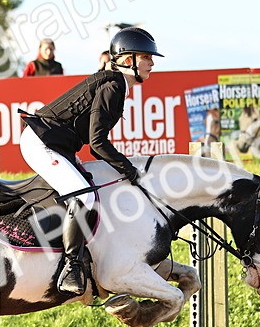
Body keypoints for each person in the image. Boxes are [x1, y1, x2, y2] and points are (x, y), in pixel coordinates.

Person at [18, 27, 162, 294]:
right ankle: (71, 269)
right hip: (42, 143)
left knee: (93, 188)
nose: (152, 63)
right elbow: (97, 144)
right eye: (147, 57)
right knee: (84, 197)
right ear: (128, 59)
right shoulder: (114, 85)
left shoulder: (116, 84)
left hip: (56, 144)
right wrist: (129, 169)